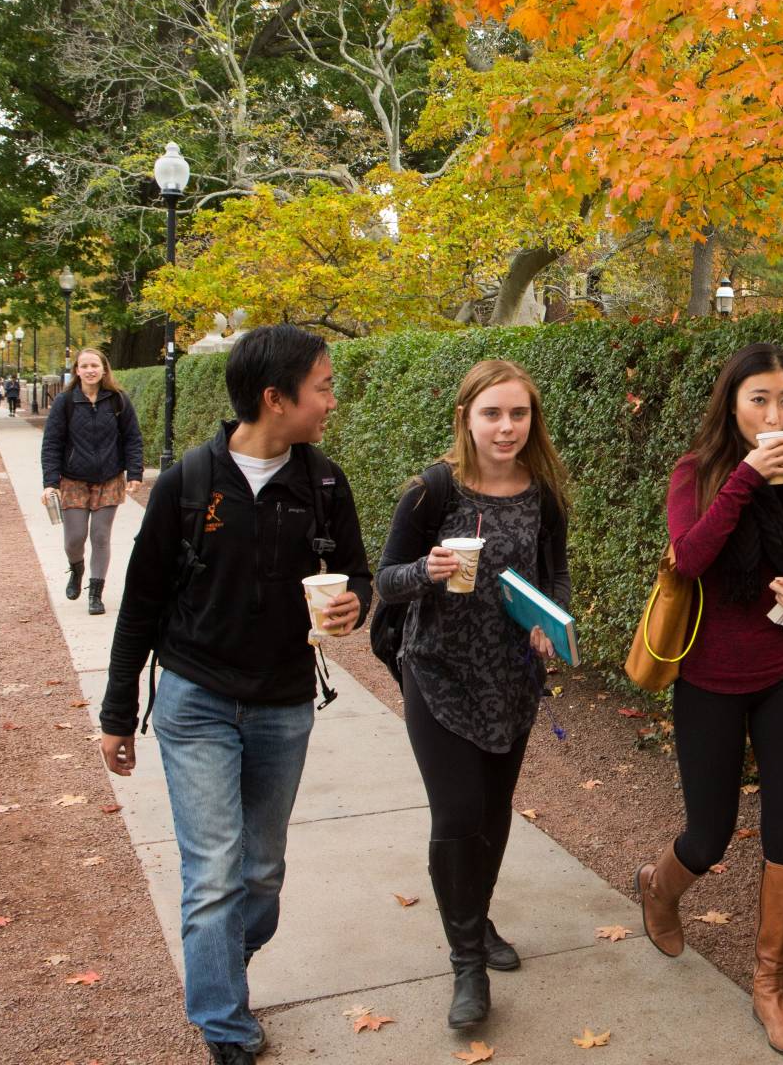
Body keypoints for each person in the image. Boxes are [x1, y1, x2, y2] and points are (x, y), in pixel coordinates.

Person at [96, 325, 371, 1065]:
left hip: (284, 704)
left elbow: (357, 574)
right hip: (196, 700)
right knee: (214, 873)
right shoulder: (189, 483)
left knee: (259, 875)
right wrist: (117, 714)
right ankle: (224, 1020)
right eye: (323, 388)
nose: (332, 401)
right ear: (275, 398)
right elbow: (141, 605)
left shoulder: (324, 485)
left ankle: (219, 954)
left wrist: (355, 603)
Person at [636, 342, 783, 1058]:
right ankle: (660, 888)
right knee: (710, 836)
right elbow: (690, 557)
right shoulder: (696, 473)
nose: (775, 415)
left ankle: (769, 987)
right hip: (708, 677)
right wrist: (748, 477)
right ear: (732, 406)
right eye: (760, 400)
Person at [375, 359, 571, 1030]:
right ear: (466, 418)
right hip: (438, 672)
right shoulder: (431, 491)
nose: (507, 427)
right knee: (458, 813)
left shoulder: (543, 495)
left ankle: (476, 918)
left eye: (519, 413)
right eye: (493, 413)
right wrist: (426, 570)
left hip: (512, 677)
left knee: (492, 812)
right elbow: (386, 580)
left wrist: (551, 622)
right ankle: (466, 964)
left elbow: (555, 574)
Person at [41, 348, 145, 615]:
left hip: (109, 478)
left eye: (94, 365)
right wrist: (50, 482)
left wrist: (134, 473)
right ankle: (76, 569)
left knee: (100, 535)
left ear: (104, 369)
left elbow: (132, 437)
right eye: (84, 366)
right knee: (74, 538)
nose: (90, 370)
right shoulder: (65, 402)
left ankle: (95, 593)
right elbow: (52, 443)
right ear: (77, 371)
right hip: (73, 479)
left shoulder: (118, 400)